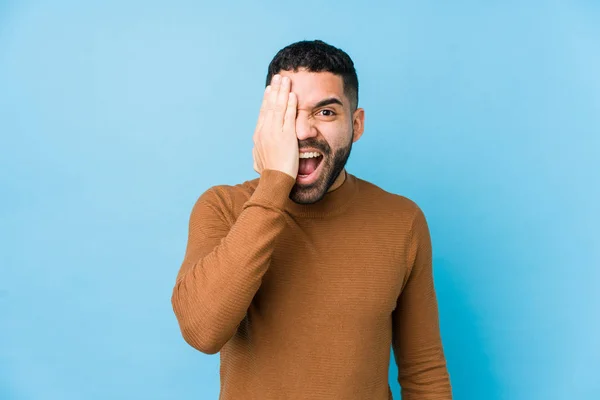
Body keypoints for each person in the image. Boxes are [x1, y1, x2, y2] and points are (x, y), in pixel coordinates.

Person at [171, 39, 452, 399]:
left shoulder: (402, 221)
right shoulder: (223, 207)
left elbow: (423, 370)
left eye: (325, 112)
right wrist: (274, 184)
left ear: (356, 124)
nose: (303, 131)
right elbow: (202, 331)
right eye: (288, 113)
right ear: (267, 124)